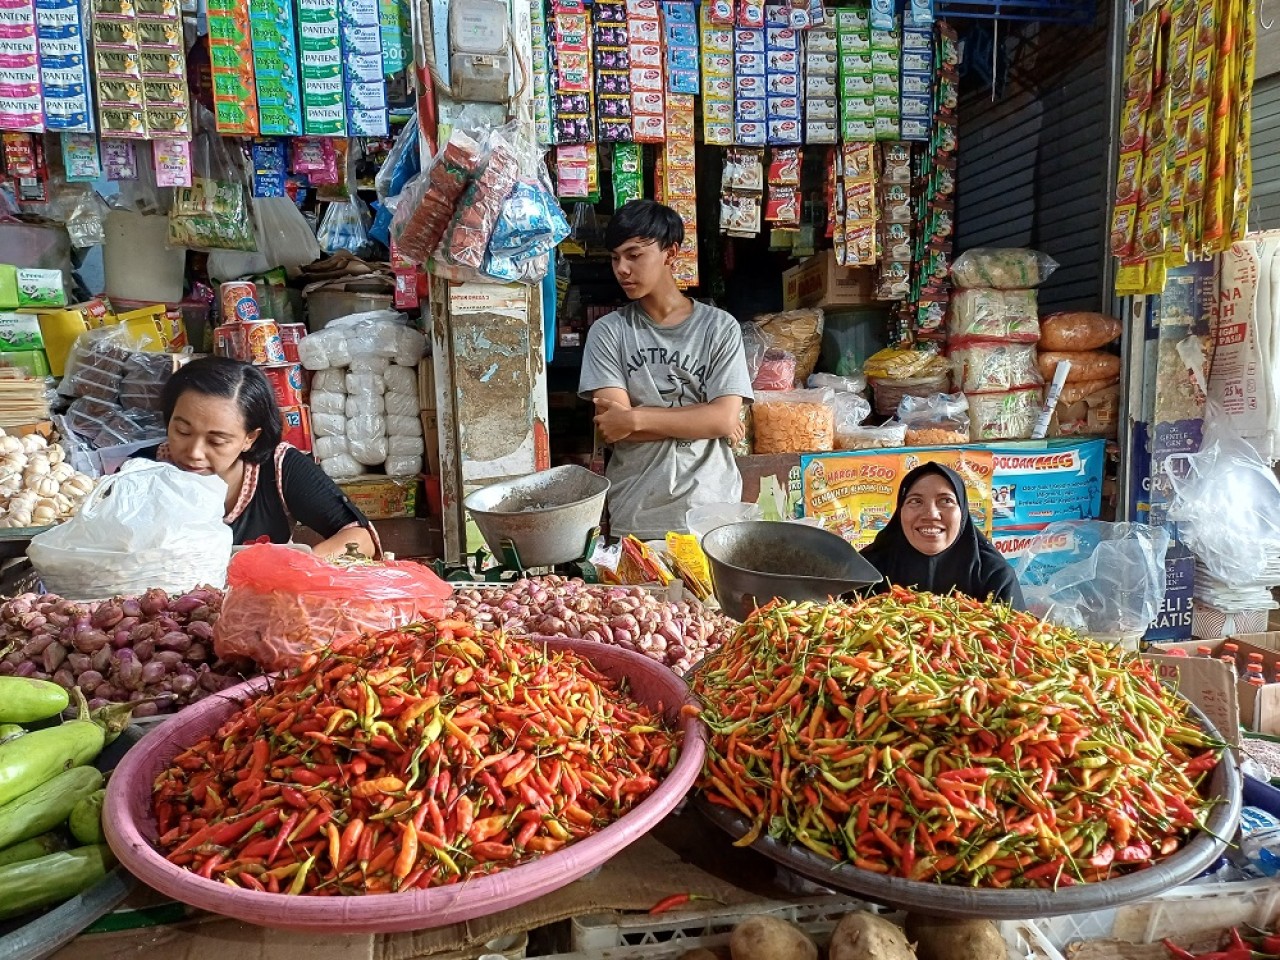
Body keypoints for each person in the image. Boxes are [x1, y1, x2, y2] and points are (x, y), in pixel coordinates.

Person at [579, 199, 753, 540]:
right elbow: (613, 427)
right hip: (637, 510)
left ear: (670, 253)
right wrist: (704, 419)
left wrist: (635, 418)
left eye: (634, 255)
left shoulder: (719, 328)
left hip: (710, 509)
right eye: (615, 258)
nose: (622, 269)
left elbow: (721, 419)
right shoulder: (609, 332)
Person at [138, 356, 378, 558]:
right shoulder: (139, 473)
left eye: (217, 441)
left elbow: (361, 537)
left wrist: (298, 570)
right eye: (182, 431)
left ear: (250, 438)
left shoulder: (278, 467)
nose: (194, 452)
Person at [860, 461, 1024, 608]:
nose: (931, 514)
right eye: (915, 501)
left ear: (963, 512)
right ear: (900, 511)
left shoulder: (994, 575)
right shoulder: (866, 571)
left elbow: (1019, 630)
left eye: (946, 501)